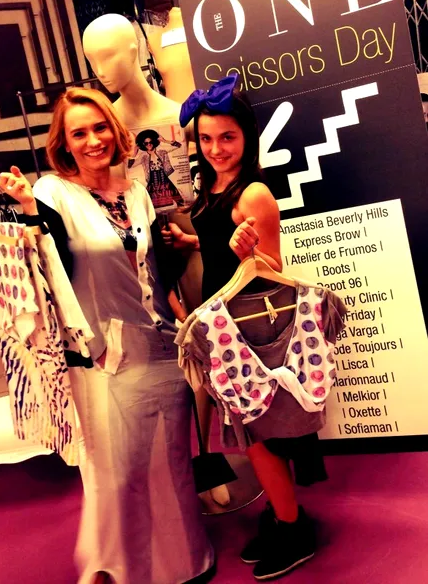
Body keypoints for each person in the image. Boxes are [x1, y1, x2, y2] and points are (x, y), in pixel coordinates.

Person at [0, 87, 214, 584]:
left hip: (160, 342)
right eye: (79, 133)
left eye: (99, 128)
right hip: (103, 355)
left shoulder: (136, 191)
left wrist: (182, 321)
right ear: (64, 143)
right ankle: (122, 569)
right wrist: (25, 207)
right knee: (117, 472)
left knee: (171, 461)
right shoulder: (52, 193)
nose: (92, 140)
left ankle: (184, 561)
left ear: (115, 131)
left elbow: (154, 269)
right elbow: (44, 250)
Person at [163, 74, 328, 581]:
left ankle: (293, 528)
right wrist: (195, 243)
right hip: (226, 328)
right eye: (206, 138)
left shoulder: (254, 192)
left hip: (249, 332)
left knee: (260, 435)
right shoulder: (214, 184)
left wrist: (247, 253)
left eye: (227, 137)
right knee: (250, 432)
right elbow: (218, 236)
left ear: (247, 137)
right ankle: (283, 516)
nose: (216, 149)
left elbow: (272, 272)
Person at [128, 129, 184, 209]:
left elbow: (178, 146)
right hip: (152, 179)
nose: (149, 145)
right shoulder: (143, 156)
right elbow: (130, 166)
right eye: (146, 143)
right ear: (143, 144)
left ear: (153, 142)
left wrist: (165, 141)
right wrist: (134, 152)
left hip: (163, 177)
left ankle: (181, 210)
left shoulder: (161, 151)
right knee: (148, 202)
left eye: (150, 142)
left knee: (177, 198)